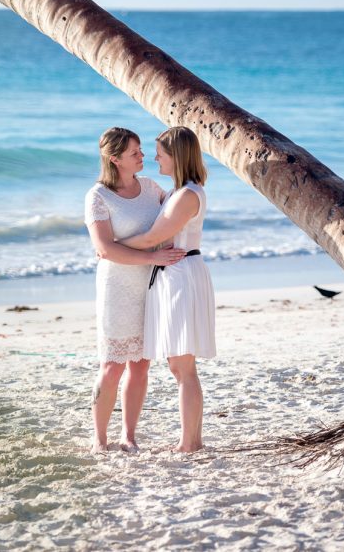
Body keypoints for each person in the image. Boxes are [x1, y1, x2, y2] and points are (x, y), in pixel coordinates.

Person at [84, 127, 186, 454]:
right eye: (134, 153)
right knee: (112, 365)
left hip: (151, 285)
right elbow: (104, 249)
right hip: (116, 287)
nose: (143, 156)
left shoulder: (151, 188)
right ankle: (99, 438)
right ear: (114, 159)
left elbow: (172, 223)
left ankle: (129, 436)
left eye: (142, 150)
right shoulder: (97, 197)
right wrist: (152, 254)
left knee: (141, 364)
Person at [119, 126, 215, 452]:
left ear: (177, 155)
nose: (155, 157)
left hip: (182, 275)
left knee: (183, 366)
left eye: (160, 151)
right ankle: (192, 440)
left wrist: (112, 245)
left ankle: (189, 443)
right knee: (179, 365)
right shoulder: (179, 192)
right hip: (174, 274)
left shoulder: (188, 194)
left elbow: (152, 238)